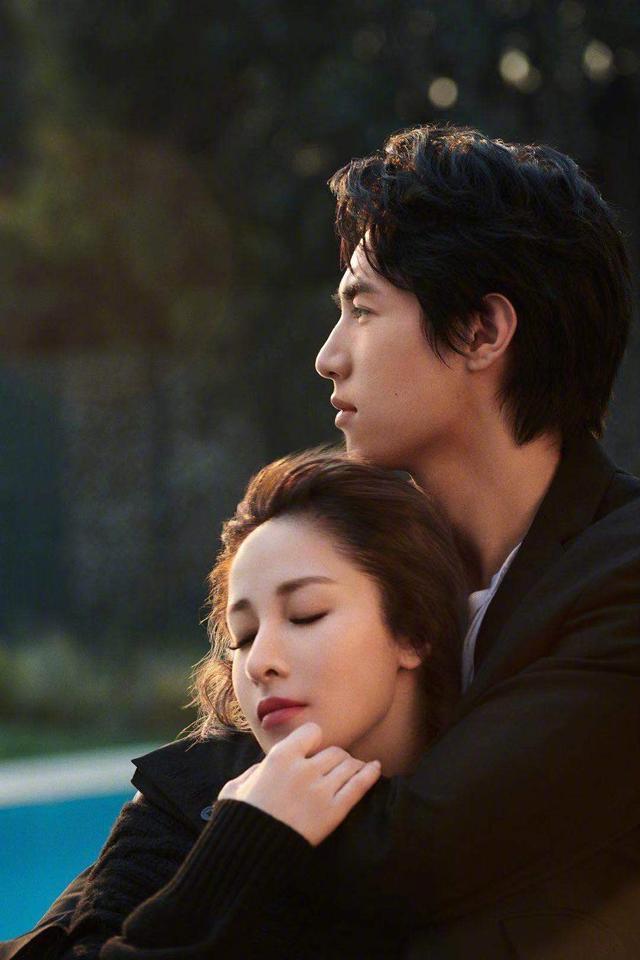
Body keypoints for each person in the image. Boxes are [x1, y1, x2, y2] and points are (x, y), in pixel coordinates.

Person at [3, 122, 640, 959]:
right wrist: (184, 807)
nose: (327, 357)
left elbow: (422, 853)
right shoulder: (356, 563)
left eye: (362, 309)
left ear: (483, 330)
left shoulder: (621, 576)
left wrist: (219, 815)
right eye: (248, 634)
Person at [31, 448, 466, 959]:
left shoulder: (496, 794)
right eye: (243, 636)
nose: (259, 662)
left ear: (413, 630)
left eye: (305, 614)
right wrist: (241, 845)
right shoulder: (189, 802)